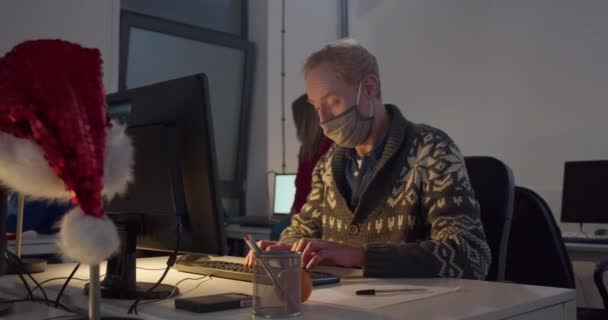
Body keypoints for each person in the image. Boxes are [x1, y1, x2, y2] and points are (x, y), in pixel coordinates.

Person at [246, 39, 491, 280]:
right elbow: (302, 229)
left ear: (370, 87)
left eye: (333, 102)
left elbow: (470, 256)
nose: (323, 119)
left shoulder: (431, 151)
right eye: (316, 106)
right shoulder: (328, 165)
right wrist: (287, 251)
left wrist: (361, 256)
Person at [270, 94, 334, 240]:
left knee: (278, 233)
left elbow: (305, 191)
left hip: (314, 218)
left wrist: (294, 215)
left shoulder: (329, 149)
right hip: (304, 215)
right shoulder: (307, 151)